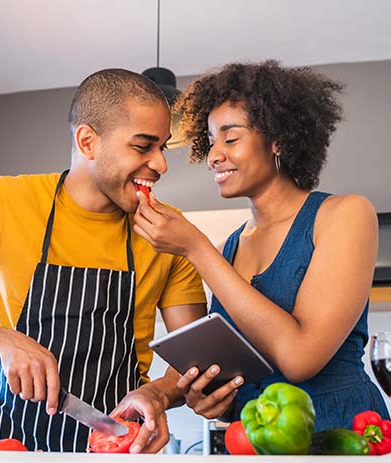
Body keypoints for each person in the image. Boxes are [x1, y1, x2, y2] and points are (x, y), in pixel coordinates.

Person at [0, 68, 242, 453]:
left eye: (162, 147)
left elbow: (193, 360)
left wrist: (158, 394)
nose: (161, 164)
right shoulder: (2, 201)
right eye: (143, 146)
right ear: (88, 141)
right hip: (7, 449)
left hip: (117, 453)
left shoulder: (169, 232)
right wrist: (0, 339)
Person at [133, 60, 390, 431]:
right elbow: (240, 371)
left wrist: (195, 248)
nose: (214, 155)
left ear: (278, 140)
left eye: (231, 138)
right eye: (211, 140)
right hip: (254, 442)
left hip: (341, 432)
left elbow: (300, 358)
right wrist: (211, 399)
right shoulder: (231, 246)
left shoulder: (344, 214)